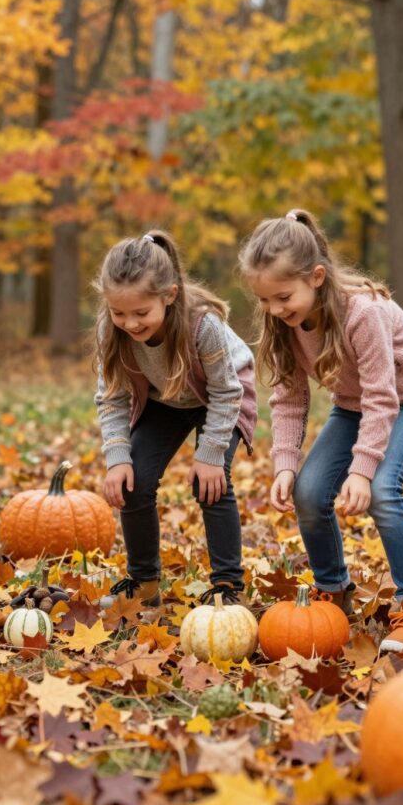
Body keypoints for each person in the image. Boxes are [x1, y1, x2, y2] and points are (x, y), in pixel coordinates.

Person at [240, 210, 403, 652]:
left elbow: (382, 396)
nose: (274, 310)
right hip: (354, 407)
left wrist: (361, 469)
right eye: (264, 301)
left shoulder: (363, 312)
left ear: (316, 277)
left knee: (383, 491)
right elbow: (290, 399)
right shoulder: (285, 324)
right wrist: (284, 466)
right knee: (310, 494)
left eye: (282, 297)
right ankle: (333, 592)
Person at [94, 231, 257, 608]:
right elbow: (112, 396)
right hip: (164, 398)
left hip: (220, 395)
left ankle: (227, 586)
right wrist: (117, 458)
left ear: (169, 295)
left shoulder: (203, 327)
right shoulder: (111, 331)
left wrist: (211, 454)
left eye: (140, 313)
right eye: (119, 313)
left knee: (211, 483)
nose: (130, 324)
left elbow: (226, 391)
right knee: (134, 481)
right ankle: (144, 583)